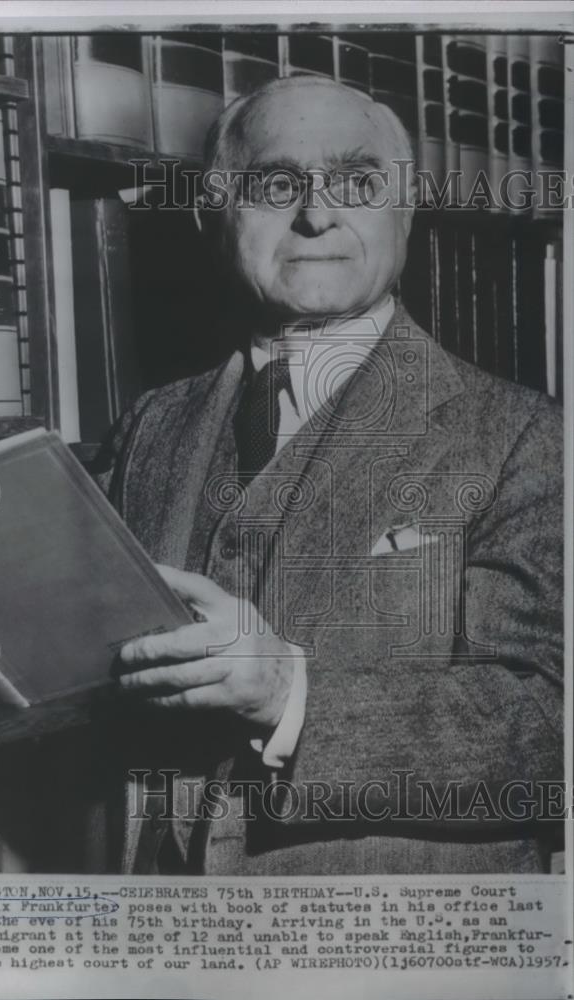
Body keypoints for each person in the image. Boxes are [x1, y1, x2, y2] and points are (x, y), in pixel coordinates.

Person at [93, 75, 563, 875]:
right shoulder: (151, 424)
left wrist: (289, 695)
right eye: (276, 184)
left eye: (357, 182)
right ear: (214, 212)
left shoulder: (527, 435)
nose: (316, 214)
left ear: (404, 210)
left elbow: (548, 726)